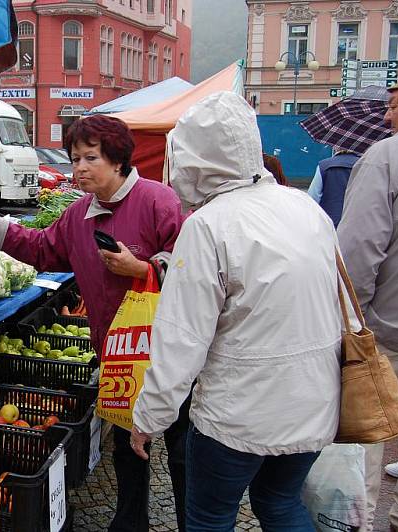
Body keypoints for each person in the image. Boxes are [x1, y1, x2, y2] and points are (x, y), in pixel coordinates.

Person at [129, 91, 342, 531]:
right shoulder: (303, 206)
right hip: (313, 402)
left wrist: (149, 417)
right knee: (281, 503)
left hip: (238, 415)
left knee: (210, 517)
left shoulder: (208, 225)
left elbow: (181, 338)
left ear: (193, 160)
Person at [0, 114, 188, 532]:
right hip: (118, 354)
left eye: (91, 158)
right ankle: (129, 524)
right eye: (74, 159)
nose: (79, 169)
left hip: (170, 350)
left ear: (119, 160)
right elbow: (43, 247)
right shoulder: (79, 215)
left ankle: (193, 522)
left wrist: (139, 266)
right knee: (127, 448)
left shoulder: (158, 200)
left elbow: (187, 262)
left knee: (180, 451)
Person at [336, 66, 398, 530]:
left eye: (395, 104)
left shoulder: (386, 157)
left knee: (364, 442)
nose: (387, 117)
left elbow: (356, 253)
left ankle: (355, 524)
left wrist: (353, 324)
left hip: (387, 335)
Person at [307, 149, 360, 227]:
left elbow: (312, 198)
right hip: (356, 222)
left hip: (329, 223)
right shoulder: (364, 165)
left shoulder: (324, 166)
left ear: (335, 147)